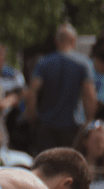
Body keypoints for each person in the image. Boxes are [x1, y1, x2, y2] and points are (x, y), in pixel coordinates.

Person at [25, 23, 96, 153]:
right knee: (69, 165)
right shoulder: (84, 64)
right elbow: (89, 95)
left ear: (56, 41)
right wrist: (89, 121)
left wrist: (33, 116)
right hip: (74, 126)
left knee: (46, 164)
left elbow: (32, 92)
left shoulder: (44, 63)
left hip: (47, 124)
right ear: (74, 41)